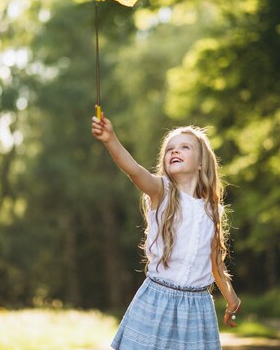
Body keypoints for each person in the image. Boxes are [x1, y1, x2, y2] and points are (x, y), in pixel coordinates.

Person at [91, 112, 242, 350]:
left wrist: (231, 297)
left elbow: (216, 263)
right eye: (170, 148)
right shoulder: (162, 192)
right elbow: (134, 170)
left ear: (202, 162)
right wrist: (111, 139)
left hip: (197, 308)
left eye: (184, 147)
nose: (174, 151)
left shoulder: (212, 210)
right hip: (156, 301)